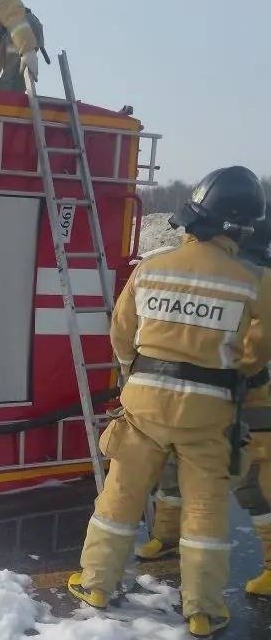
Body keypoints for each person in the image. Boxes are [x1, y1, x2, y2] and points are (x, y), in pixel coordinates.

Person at [67, 166, 271, 637]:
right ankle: (202, 611)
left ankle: (96, 583)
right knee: (206, 512)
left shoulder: (151, 268)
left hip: (143, 404)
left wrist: (133, 376)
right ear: (239, 227)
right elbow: (258, 352)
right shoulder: (253, 281)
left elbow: (121, 333)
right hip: (208, 413)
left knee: (120, 495)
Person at [136, 215, 271, 598]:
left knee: (255, 482)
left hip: (254, 398)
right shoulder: (235, 274)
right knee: (174, 466)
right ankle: (166, 537)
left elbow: (253, 352)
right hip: (211, 395)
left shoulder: (259, 281)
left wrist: (227, 369)